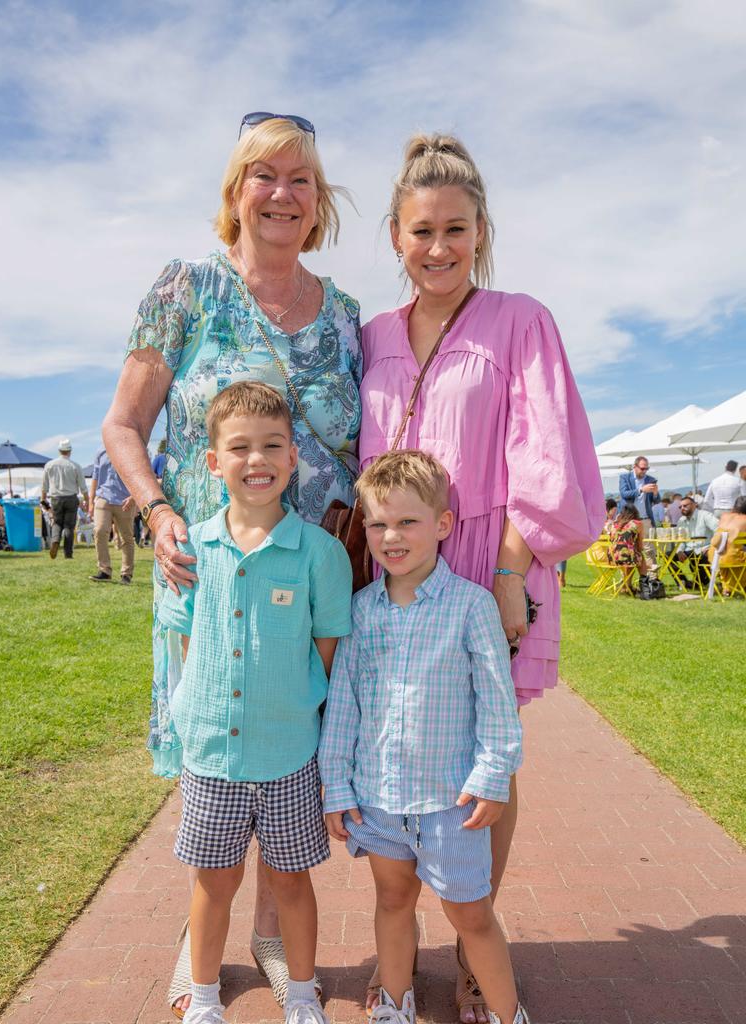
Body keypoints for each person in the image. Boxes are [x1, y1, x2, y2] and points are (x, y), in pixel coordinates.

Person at [102, 113, 361, 1017]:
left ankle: (270, 935)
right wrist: (160, 510)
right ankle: (200, 946)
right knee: (214, 754)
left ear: (319, 199)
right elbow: (124, 425)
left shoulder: (347, 315)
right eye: (265, 175)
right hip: (204, 573)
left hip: (312, 569)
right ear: (235, 190)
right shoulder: (186, 288)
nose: (283, 193)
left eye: (301, 178)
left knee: (291, 761)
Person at [359, 133, 603, 1022]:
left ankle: (474, 944)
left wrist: (511, 573)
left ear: (481, 230)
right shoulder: (373, 333)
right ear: (394, 235)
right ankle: (399, 934)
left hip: (490, 569)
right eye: (421, 231)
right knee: (402, 743)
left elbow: (543, 454)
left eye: (455, 230)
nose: (438, 248)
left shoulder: (521, 320)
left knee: (484, 751)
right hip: (394, 580)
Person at [158, 382, 352, 1024]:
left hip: (289, 753)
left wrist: (295, 701)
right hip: (212, 755)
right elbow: (186, 643)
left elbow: (325, 644)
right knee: (214, 883)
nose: (256, 459)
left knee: (292, 881)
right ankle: (206, 996)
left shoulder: (320, 555)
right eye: (238, 447)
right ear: (214, 461)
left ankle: (300, 992)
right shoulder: (191, 551)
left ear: (293, 457)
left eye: (272, 445)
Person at [319, 451, 528, 1024]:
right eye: (379, 523)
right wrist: (336, 785)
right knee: (391, 900)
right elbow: (343, 706)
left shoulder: (472, 606)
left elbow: (496, 702)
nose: (391, 536)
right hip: (380, 800)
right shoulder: (361, 611)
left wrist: (492, 776)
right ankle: (394, 1000)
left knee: (472, 915)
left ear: (442, 525)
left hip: (451, 803)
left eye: (408, 522)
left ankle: (510, 1013)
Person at [88, 446, 136, 584]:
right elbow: (95, 477)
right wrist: (91, 502)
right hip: (103, 497)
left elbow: (137, 476)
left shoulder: (130, 450)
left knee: (127, 537)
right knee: (99, 530)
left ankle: (126, 574)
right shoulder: (100, 452)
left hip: (125, 499)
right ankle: (104, 571)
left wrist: (134, 497)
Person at [40, 439, 88, 559]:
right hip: (71, 498)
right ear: (70, 451)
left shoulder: (49, 465)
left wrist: (43, 501)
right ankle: (68, 553)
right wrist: (87, 500)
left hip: (56, 498)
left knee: (57, 523)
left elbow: (44, 487)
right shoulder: (75, 466)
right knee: (69, 526)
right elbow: (83, 487)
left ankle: (55, 540)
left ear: (59, 450)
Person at [673, 493, 719, 589]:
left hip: (704, 550)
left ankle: (701, 581)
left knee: (699, 582)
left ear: (694, 505)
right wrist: (680, 551)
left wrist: (711, 547)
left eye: (685, 505)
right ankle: (683, 581)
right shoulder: (681, 520)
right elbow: (681, 539)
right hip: (689, 551)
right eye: (680, 506)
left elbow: (719, 530)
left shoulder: (705, 515)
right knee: (667, 556)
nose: (682, 508)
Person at [606, 503, 648, 592]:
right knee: (639, 557)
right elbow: (640, 546)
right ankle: (644, 586)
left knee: (631, 556)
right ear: (635, 513)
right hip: (625, 557)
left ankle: (627, 586)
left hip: (612, 558)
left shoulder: (615, 524)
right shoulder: (637, 523)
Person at [708, 496, 746, 593]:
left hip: (714, 556)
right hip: (732, 558)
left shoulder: (724, 516)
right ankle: (736, 586)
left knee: (734, 550)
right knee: (737, 552)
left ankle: (728, 588)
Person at [619, 456, 660, 534]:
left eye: (646, 469)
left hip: (645, 520)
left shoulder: (651, 480)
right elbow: (624, 494)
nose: (644, 471)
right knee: (629, 545)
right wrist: (641, 490)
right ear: (635, 466)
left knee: (648, 546)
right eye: (642, 468)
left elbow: (656, 501)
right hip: (628, 520)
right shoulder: (625, 478)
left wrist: (655, 493)